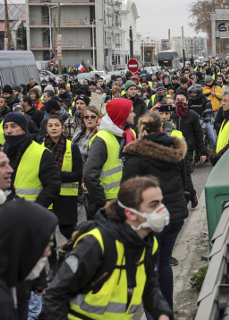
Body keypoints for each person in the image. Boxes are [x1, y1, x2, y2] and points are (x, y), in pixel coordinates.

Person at [43, 176, 173, 320]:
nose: (162, 210)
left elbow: (149, 286)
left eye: (161, 202)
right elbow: (55, 297)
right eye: (154, 205)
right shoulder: (96, 244)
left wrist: (162, 313)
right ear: (130, 213)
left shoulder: (148, 243)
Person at [122, 112, 187, 313]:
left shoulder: (136, 154)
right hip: (175, 214)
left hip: (151, 219)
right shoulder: (175, 148)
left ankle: (157, 314)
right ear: (162, 126)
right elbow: (185, 179)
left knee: (149, 268)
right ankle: (165, 311)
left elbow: (126, 190)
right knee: (164, 262)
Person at [83, 98, 136, 217]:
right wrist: (103, 203)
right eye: (131, 111)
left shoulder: (128, 134)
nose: (134, 114)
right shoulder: (101, 139)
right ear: (122, 114)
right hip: (111, 202)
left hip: (126, 199)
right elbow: (89, 176)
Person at [2, 112, 60, 208]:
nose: (8, 131)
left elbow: (52, 186)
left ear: (24, 130)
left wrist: (35, 209)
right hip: (7, 212)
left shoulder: (42, 153)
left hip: (35, 214)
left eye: (13, 126)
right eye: (6, 127)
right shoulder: (1, 153)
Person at [173, 91, 206, 208]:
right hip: (173, 150)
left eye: (182, 99)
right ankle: (190, 194)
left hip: (188, 149)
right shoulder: (172, 115)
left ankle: (188, 195)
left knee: (186, 174)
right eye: (177, 99)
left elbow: (198, 134)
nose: (179, 102)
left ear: (187, 101)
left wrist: (202, 152)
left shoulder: (192, 115)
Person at [188, 84, 216, 148]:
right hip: (192, 122)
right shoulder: (189, 101)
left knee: (211, 138)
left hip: (204, 121)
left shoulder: (206, 100)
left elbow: (209, 110)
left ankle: (213, 152)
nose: (193, 94)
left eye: (194, 93)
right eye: (191, 93)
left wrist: (207, 117)